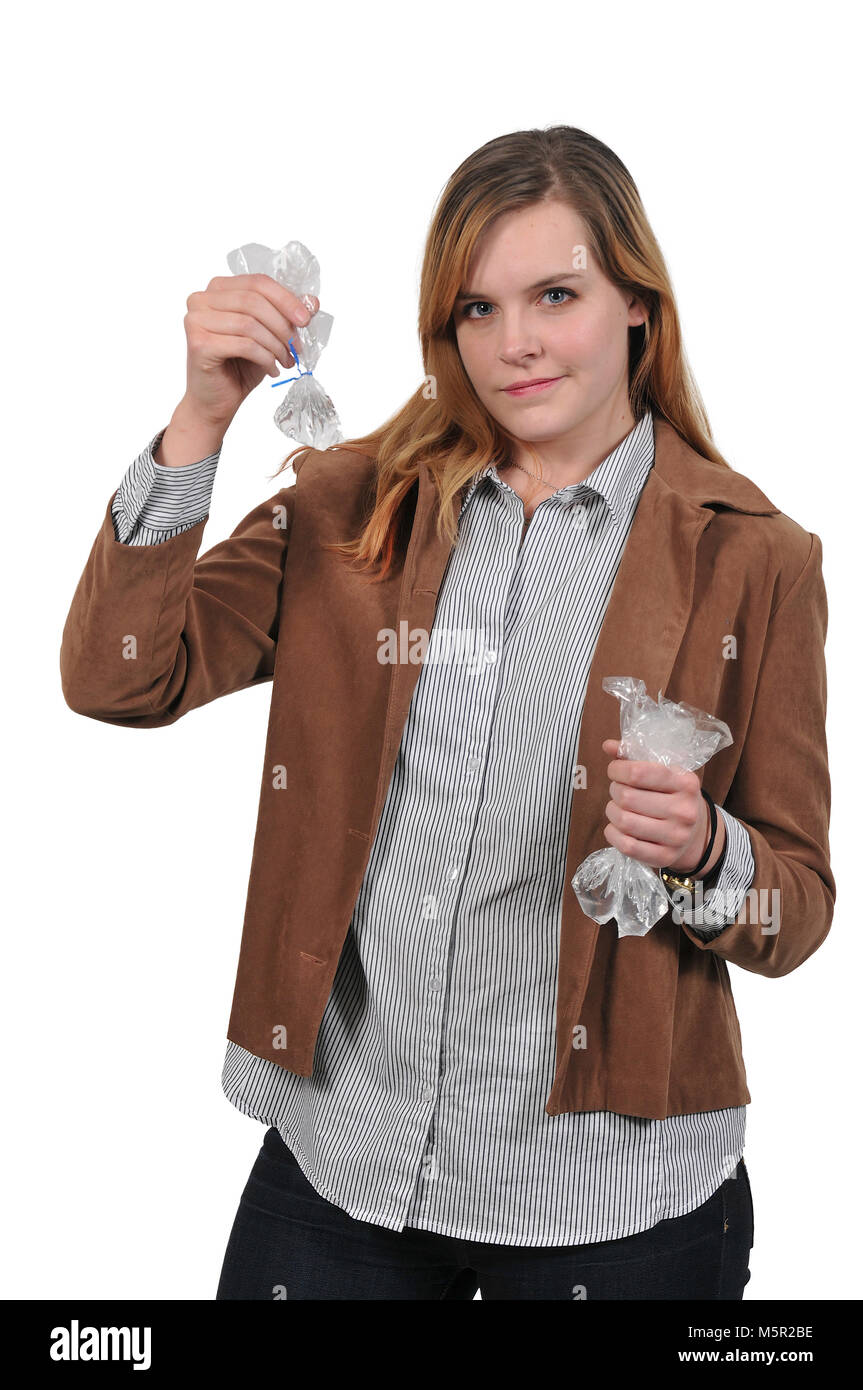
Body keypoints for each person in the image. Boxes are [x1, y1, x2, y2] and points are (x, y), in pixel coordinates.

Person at [60, 125, 834, 1300]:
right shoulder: (349, 508)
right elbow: (122, 674)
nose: (513, 342)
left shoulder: (752, 559)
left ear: (637, 301)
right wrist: (200, 421)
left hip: (613, 1206)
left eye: (554, 294)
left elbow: (796, 908)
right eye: (476, 308)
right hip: (344, 1175)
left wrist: (704, 852)